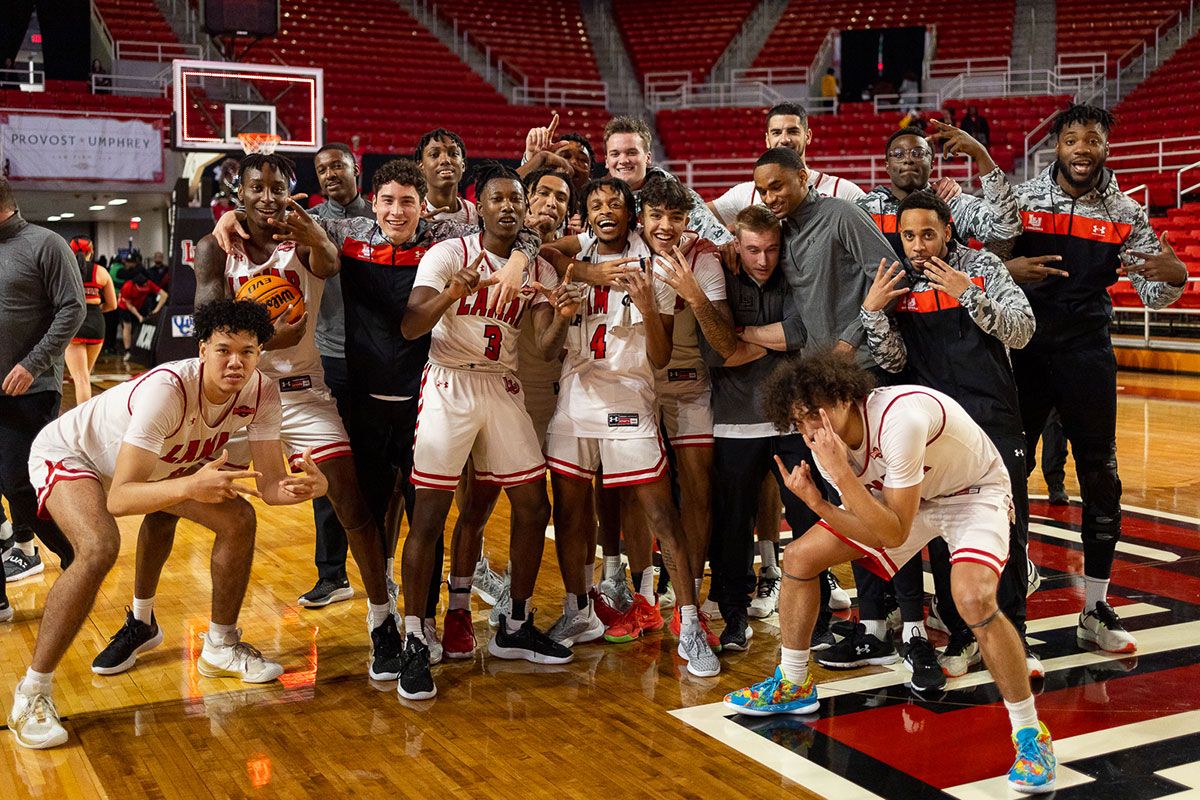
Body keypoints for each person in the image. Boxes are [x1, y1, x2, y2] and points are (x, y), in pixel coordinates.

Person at [94, 154, 405, 686]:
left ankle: (382, 621)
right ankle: (141, 619)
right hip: (234, 394)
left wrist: (312, 234)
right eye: (256, 186)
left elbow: (329, 265)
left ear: (290, 190)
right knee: (170, 501)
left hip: (303, 393)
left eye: (277, 186)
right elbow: (210, 319)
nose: (267, 195)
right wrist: (267, 336)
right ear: (239, 192)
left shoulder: (304, 234)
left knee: (351, 501)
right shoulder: (219, 245)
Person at [724, 351, 1058, 795]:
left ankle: (1031, 735)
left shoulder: (900, 419)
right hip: (908, 503)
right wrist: (820, 504)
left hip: (971, 493)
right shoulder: (826, 448)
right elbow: (874, 526)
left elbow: (892, 530)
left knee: (974, 599)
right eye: (798, 421)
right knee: (799, 559)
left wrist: (842, 476)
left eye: (815, 415)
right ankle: (792, 681)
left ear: (843, 397)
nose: (809, 430)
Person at [10, 299, 328, 749]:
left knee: (239, 517)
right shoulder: (169, 389)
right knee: (99, 547)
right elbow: (120, 497)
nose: (236, 362)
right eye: (224, 350)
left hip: (153, 467)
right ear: (202, 350)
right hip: (73, 454)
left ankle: (220, 645)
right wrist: (190, 485)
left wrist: (308, 487)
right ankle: (32, 691)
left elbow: (272, 485)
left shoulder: (262, 393)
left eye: (248, 351)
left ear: (260, 354)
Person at [999, 104, 1187, 653]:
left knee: (1101, 478)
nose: (1083, 148)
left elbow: (1154, 289)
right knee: (1009, 478)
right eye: (1073, 138)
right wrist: (1009, 270)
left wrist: (1175, 274)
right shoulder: (1021, 201)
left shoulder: (1126, 211)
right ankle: (1012, 610)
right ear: (1055, 144)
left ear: (1106, 148)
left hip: (1087, 354)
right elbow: (982, 268)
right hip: (1025, 352)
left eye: (1094, 140)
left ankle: (1096, 606)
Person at [396, 164, 581, 699]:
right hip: (449, 382)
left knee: (533, 506)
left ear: (524, 211)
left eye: (515, 200)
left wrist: (563, 316)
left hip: (502, 383)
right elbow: (411, 325)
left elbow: (543, 347)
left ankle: (516, 624)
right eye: (497, 198)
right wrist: (453, 292)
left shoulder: (538, 270)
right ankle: (415, 636)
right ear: (479, 206)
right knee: (428, 514)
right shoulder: (450, 254)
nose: (507, 207)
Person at [539, 177, 721, 677]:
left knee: (662, 516)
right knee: (572, 515)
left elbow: (660, 357)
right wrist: (585, 276)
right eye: (595, 205)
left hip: (629, 397)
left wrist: (644, 305)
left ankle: (688, 622)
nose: (605, 212)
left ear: (631, 212)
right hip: (574, 397)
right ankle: (579, 612)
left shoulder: (654, 264)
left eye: (614, 204)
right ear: (587, 214)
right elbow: (546, 249)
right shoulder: (580, 258)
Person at [856, 191, 1038, 690]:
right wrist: (874, 313)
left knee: (1009, 530)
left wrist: (968, 292)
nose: (917, 245)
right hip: (936, 431)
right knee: (942, 533)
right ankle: (962, 634)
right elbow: (892, 363)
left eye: (927, 234)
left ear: (949, 229)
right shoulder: (894, 278)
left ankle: (1015, 634)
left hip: (994, 417)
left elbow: (1023, 330)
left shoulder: (981, 266)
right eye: (908, 235)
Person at [690, 205, 837, 653]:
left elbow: (802, 332)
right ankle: (733, 614)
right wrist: (768, 340)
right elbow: (714, 353)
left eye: (771, 248)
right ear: (736, 242)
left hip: (792, 420)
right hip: (733, 423)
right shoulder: (719, 274)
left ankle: (821, 616)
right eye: (752, 249)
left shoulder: (794, 273)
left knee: (811, 518)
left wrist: (741, 335)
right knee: (732, 527)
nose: (762, 259)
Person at [298, 142, 373, 610]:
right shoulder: (309, 221)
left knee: (381, 470)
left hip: (383, 358)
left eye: (337, 166)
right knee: (327, 469)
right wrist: (225, 217)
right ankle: (332, 574)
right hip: (330, 357)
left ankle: (383, 569)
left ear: (354, 169)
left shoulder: (387, 210)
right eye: (321, 169)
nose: (329, 174)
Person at [0, 177, 82, 601]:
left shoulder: (45, 244)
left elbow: (73, 308)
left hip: (28, 391)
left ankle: (78, 555)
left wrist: (33, 365)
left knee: (19, 484)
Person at [858, 122, 1020, 259]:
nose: (908, 159)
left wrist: (981, 154)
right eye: (898, 154)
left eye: (918, 153)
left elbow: (1006, 227)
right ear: (887, 165)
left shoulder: (955, 204)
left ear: (932, 164)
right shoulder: (864, 210)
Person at [707, 103, 866, 229]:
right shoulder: (745, 194)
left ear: (808, 136)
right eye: (776, 133)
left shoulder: (843, 191)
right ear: (767, 139)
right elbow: (693, 215)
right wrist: (724, 242)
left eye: (792, 131)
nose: (784, 139)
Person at [602, 115, 732, 244]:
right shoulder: (595, 200)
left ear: (648, 158)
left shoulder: (680, 198)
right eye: (615, 154)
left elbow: (721, 244)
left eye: (631, 153)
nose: (624, 160)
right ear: (607, 161)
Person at [63, 237, 117, 404]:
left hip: (73, 322)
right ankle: (87, 419)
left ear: (70, 250)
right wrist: (97, 309)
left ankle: (83, 422)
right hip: (96, 322)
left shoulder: (65, 269)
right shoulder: (101, 271)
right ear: (91, 251)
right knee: (85, 375)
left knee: (81, 380)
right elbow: (112, 304)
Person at [416, 128, 477, 223]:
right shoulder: (413, 213)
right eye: (434, 154)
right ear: (421, 167)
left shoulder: (473, 212)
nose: (445, 160)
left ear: (463, 165)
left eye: (453, 154)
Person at [116, 265, 167, 362]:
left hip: (139, 305)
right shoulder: (128, 286)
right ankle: (127, 351)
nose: (144, 287)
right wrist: (139, 316)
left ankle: (136, 349)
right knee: (127, 326)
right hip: (125, 306)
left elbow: (164, 295)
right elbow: (129, 305)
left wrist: (156, 309)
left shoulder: (149, 284)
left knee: (139, 325)